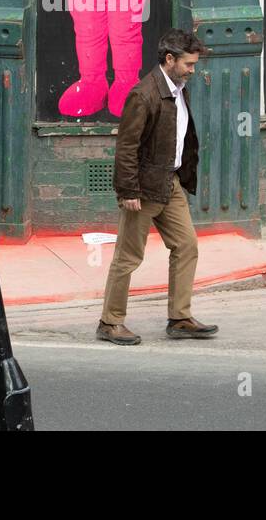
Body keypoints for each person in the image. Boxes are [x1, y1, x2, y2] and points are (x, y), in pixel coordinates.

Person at [97, 28, 218, 345]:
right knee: (128, 256)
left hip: (171, 182)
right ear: (169, 59)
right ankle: (110, 323)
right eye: (189, 64)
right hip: (145, 188)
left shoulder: (178, 88)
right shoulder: (144, 95)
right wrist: (128, 191)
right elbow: (126, 147)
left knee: (187, 245)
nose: (193, 70)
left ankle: (179, 318)